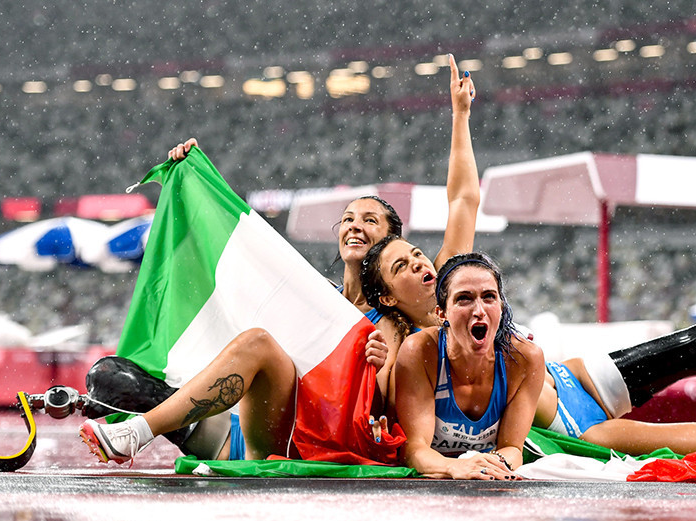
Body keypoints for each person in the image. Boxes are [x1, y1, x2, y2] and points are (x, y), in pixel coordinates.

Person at [79, 54, 480, 464]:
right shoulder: (313, 294)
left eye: (370, 220)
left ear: (391, 241)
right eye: (347, 219)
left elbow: (463, 202)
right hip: (240, 430)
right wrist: (193, 184)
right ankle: (138, 427)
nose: (355, 226)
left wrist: (460, 116)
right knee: (110, 378)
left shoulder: (408, 305)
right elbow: (239, 283)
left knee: (258, 343)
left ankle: (136, 433)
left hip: (300, 443)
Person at [363, 242, 696, 460]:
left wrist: (461, 116)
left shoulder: (460, 280)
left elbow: (464, 199)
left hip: (569, 379)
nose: (418, 264)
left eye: (417, 255)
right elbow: (379, 402)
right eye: (401, 266)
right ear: (385, 295)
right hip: (574, 422)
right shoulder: (398, 337)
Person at [393, 252, 545, 479]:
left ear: (501, 306)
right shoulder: (421, 352)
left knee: (591, 436)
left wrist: (492, 466)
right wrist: (456, 467)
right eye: (464, 298)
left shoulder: (526, 358)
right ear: (441, 313)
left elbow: (513, 448)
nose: (479, 310)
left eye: (489, 297)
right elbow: (415, 450)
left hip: (552, 400)